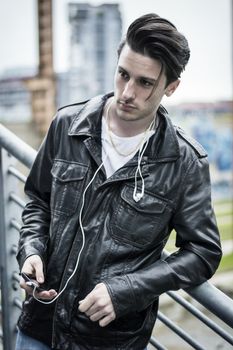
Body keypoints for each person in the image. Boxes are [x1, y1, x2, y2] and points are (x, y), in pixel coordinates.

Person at [16, 13, 222, 350]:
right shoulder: (67, 126)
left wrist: (130, 288)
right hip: (40, 325)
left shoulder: (185, 162)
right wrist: (31, 251)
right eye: (123, 74)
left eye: (144, 83)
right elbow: (38, 201)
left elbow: (203, 252)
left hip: (110, 340)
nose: (127, 92)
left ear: (171, 87)